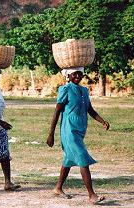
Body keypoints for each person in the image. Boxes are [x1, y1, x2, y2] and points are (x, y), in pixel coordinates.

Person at [46, 67, 110, 204]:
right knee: (82, 158)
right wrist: (51, 133)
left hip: (80, 130)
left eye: (80, 74)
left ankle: (58, 187)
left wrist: (102, 121)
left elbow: (90, 110)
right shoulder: (65, 89)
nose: (78, 76)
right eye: (75, 74)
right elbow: (57, 112)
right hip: (68, 131)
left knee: (68, 159)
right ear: (68, 75)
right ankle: (92, 195)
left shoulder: (84, 91)